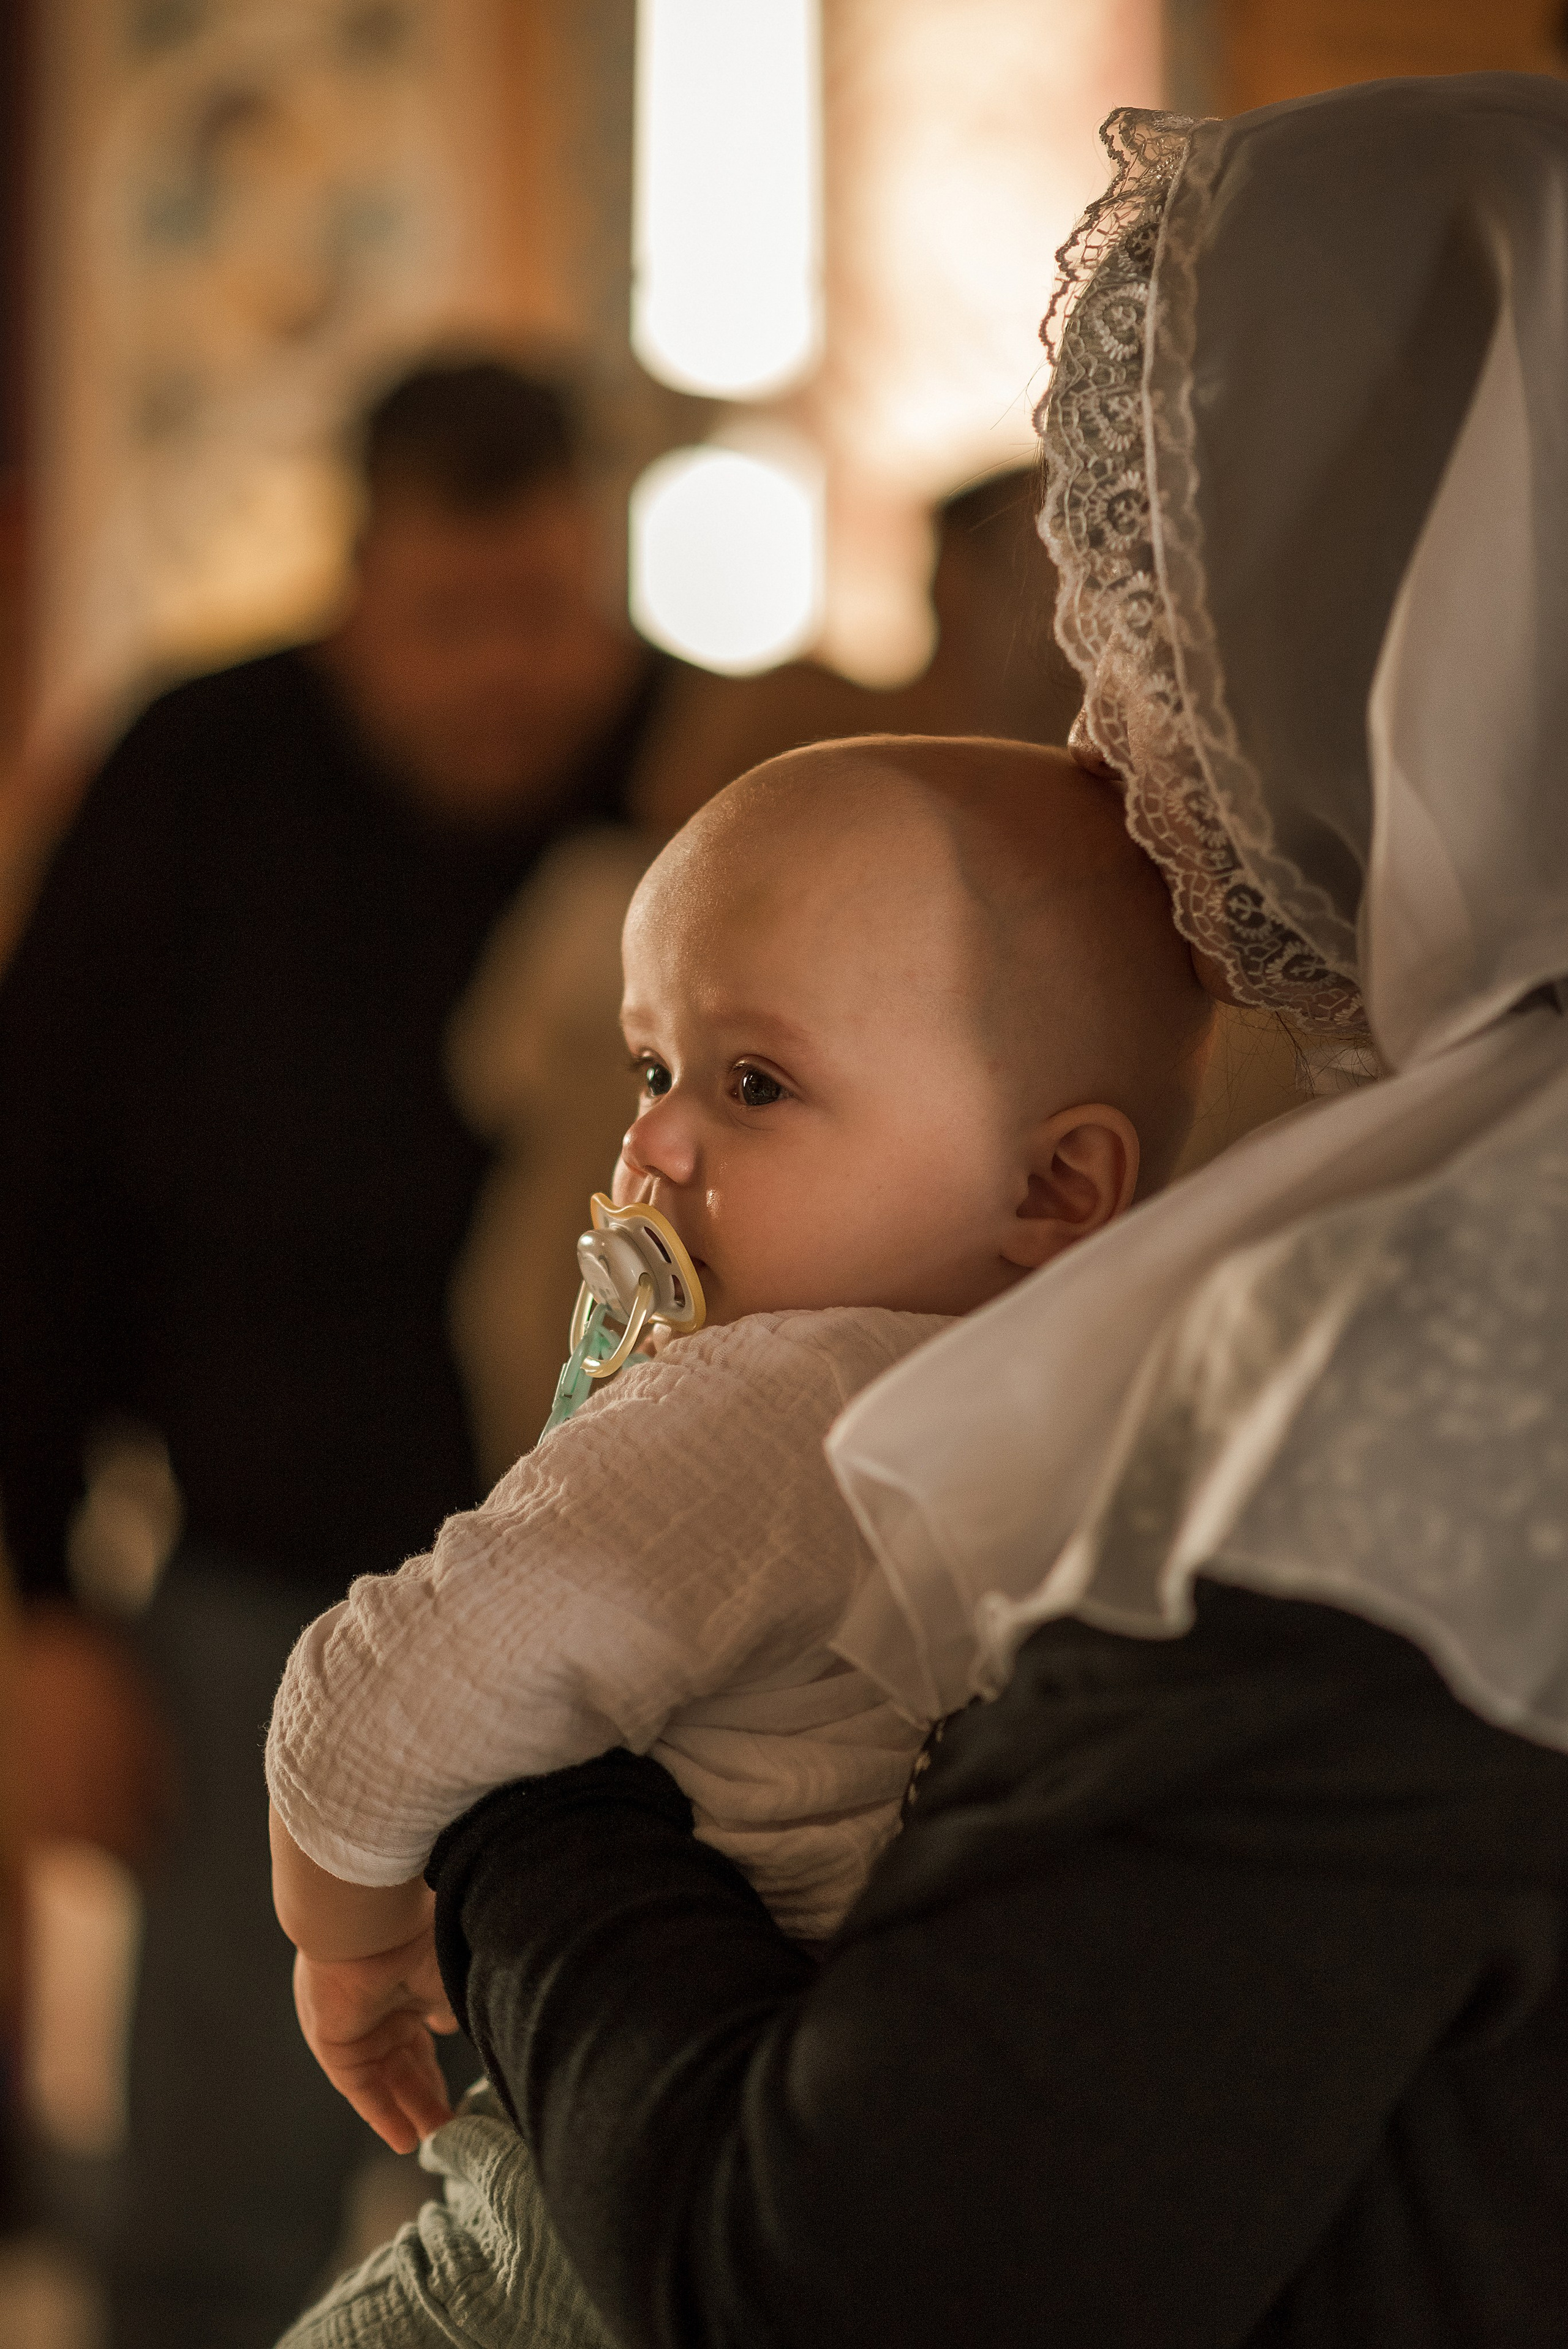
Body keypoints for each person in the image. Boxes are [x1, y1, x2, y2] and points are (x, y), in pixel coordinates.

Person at [278, 74, 1568, 2349]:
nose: (1113, 731)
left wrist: (515, 1797)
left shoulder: (1443, 1313)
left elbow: (847, 2270)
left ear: (1394, 618)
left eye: (1156, 619)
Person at [262, 734, 1212, 2157]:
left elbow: (389, 1699)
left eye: (754, 1083)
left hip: (660, 2129)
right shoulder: (1133, 1401)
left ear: (1051, 1183)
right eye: (653, 1067)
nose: (653, 1141)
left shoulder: (785, 1398)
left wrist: (344, 1934)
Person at [0, 357, 666, 2348]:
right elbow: (32, 1188)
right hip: (260, 1594)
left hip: (626, 1627)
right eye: (451, 617)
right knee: (213, 2216)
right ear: (358, 584)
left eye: (546, 609)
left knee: (589, 2223)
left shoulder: (699, 761)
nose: (506, 672)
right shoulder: (196, 767)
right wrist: (44, 1604)